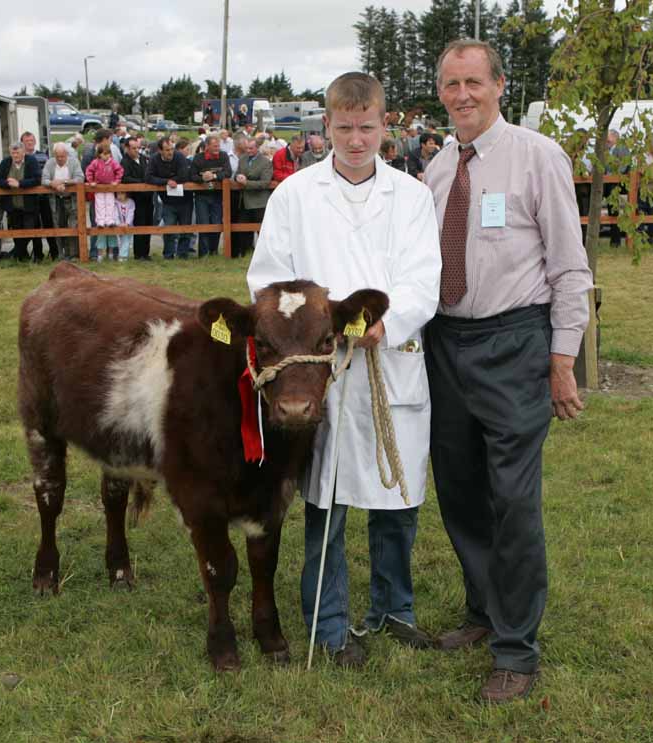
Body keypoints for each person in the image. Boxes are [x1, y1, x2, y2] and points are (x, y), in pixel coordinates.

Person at [247, 72, 441, 668]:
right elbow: (267, 280)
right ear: (325, 126)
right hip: (318, 370)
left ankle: (393, 607)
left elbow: (422, 277)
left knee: (395, 497)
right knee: (325, 502)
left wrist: (390, 320)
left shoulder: (410, 196)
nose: (356, 139)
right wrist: (314, 327)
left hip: (390, 361)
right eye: (344, 127)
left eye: (367, 127)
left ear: (386, 126)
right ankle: (328, 624)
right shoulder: (295, 196)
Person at [423, 39, 593, 703]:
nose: (461, 95)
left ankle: (516, 650)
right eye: (449, 84)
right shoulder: (437, 169)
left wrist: (563, 358)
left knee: (513, 501)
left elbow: (570, 263)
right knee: (460, 490)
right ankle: (482, 610)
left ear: (498, 85)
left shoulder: (537, 155)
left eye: (473, 82)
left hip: (515, 341)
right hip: (446, 344)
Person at [0, 141, 41, 261]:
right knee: (16, 232)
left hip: (29, 205)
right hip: (12, 206)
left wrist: (20, 183)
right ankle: (21, 257)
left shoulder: (31, 161)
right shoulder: (6, 162)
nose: (15, 156)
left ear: (23, 152)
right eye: (13, 153)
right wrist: (8, 183)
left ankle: (37, 256)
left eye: (18, 153)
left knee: (31, 231)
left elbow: (37, 179)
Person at [145, 136, 192, 259]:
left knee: (186, 228)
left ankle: (183, 254)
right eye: (167, 150)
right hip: (167, 200)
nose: (170, 152)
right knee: (169, 228)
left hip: (185, 199)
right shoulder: (154, 159)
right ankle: (168, 254)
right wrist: (167, 181)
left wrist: (172, 180)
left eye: (171, 149)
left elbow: (184, 175)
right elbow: (148, 177)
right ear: (160, 151)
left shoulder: (179, 156)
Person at [41, 142, 85, 260]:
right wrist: (52, 184)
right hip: (55, 200)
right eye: (57, 156)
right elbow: (44, 179)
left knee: (73, 225)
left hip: (71, 199)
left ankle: (74, 254)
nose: (60, 159)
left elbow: (80, 178)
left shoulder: (74, 162)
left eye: (62, 156)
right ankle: (61, 254)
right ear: (54, 155)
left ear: (67, 154)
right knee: (58, 225)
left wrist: (64, 182)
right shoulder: (50, 163)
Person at [190, 133, 232, 256]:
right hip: (202, 196)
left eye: (218, 146)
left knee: (217, 222)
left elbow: (228, 172)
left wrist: (214, 176)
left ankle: (213, 251)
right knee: (203, 224)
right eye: (214, 146)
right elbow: (191, 176)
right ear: (207, 146)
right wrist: (202, 178)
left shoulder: (223, 156)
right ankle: (203, 253)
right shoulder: (198, 158)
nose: (217, 148)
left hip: (218, 196)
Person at [232, 137, 273, 258]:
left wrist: (247, 183)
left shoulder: (266, 162)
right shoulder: (242, 159)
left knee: (262, 230)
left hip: (259, 202)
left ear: (257, 148)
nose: (248, 151)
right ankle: (244, 253)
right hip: (244, 201)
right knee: (242, 229)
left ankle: (266, 255)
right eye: (247, 148)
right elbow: (237, 174)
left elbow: (265, 183)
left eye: (251, 148)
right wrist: (238, 177)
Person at [21, 131, 59, 260]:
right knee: (34, 225)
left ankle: (54, 253)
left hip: (45, 196)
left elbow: (48, 173)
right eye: (27, 141)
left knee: (49, 223)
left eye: (32, 140)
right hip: (29, 197)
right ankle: (38, 254)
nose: (30, 143)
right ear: (22, 143)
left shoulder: (43, 156)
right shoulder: (21, 158)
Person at [85, 143, 124, 261]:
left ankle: (110, 220)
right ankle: (100, 221)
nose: (106, 156)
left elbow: (120, 171)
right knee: (99, 205)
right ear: (99, 154)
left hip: (110, 188)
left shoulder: (113, 162)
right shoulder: (95, 162)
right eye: (103, 154)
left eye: (108, 154)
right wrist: (91, 181)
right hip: (98, 188)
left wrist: (116, 181)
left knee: (110, 204)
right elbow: (88, 171)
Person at [121, 136, 152, 260]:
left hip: (148, 197)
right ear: (127, 148)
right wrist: (141, 182)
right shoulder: (125, 162)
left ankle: (146, 252)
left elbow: (150, 173)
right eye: (133, 148)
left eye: (138, 148)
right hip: (136, 198)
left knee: (148, 224)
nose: (136, 151)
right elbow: (125, 178)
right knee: (139, 224)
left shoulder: (144, 159)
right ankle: (139, 254)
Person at [114, 191, 135, 262]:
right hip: (118, 225)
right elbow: (115, 213)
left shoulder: (131, 202)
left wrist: (127, 223)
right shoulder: (115, 202)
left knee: (126, 240)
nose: (119, 195)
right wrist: (118, 223)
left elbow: (131, 213)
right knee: (119, 240)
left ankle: (123, 256)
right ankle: (120, 254)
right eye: (118, 193)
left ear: (126, 194)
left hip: (128, 225)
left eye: (121, 193)